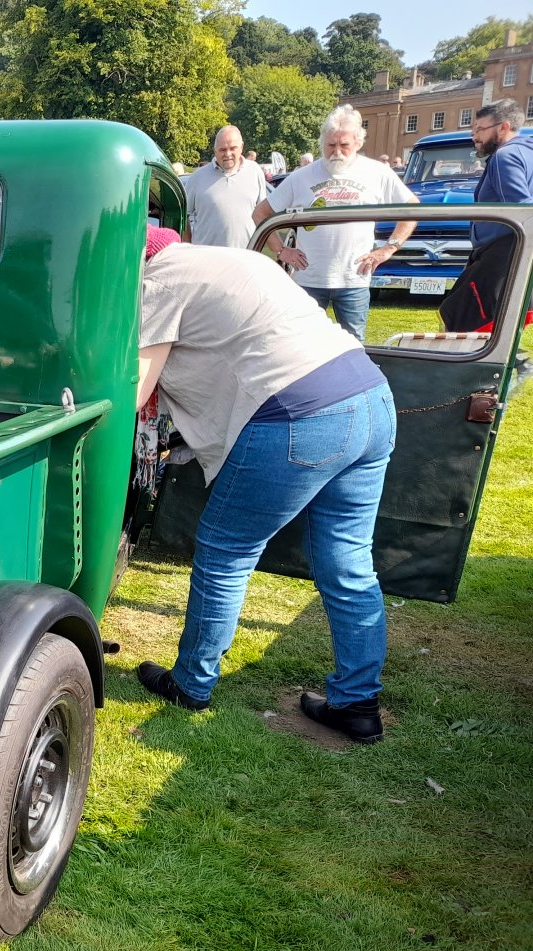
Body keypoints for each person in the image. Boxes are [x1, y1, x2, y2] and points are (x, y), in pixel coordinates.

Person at [134, 227, 396, 743]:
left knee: (225, 551)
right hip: (370, 397)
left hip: (299, 414)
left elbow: (134, 389)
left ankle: (191, 683)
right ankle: (357, 704)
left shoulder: (157, 282)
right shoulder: (232, 258)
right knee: (348, 562)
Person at [254, 105, 419, 342]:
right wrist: (281, 250)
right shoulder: (301, 177)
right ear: (322, 143)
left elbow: (412, 208)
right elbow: (261, 213)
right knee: (303, 346)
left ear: (358, 143)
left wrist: (389, 248)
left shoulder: (377, 173)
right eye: (331, 145)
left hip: (354, 279)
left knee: (353, 347)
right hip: (308, 279)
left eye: (344, 145)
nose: (337, 151)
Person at [442, 99, 533, 330]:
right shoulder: (527, 152)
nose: (475, 136)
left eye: (480, 129)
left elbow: (521, 210)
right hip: (514, 255)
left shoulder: (505, 156)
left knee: (459, 319)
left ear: (504, 127)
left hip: (504, 256)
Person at [181, 125, 268, 248]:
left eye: (233, 148)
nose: (228, 154)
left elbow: (263, 214)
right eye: (222, 150)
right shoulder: (197, 177)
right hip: (207, 256)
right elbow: (183, 216)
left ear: (241, 147)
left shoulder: (255, 171)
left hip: (246, 255)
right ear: (215, 151)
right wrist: (187, 248)